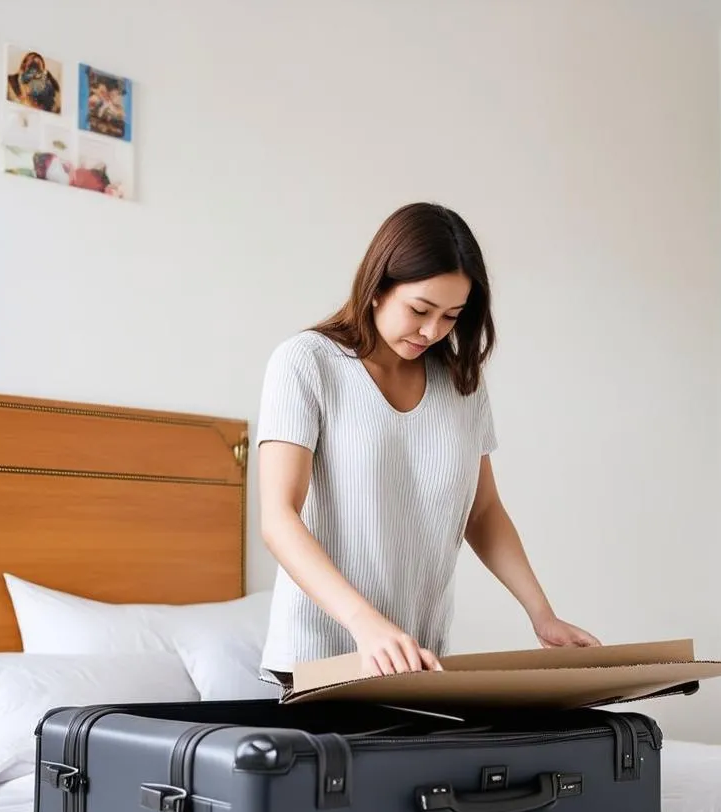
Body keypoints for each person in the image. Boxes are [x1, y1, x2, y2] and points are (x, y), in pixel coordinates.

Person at [255, 201, 600, 688]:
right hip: (319, 661)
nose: (432, 331)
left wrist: (542, 614)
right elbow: (278, 517)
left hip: (419, 662)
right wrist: (364, 623)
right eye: (419, 310)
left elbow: (483, 513)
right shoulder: (306, 363)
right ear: (377, 288)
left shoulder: (462, 384)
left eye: (451, 316)